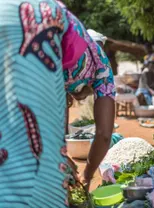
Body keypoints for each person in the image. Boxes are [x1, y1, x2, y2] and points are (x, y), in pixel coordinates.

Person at [0, 1, 115, 207]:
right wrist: (87, 175)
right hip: (39, 21)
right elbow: (104, 134)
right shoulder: (102, 68)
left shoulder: (64, 58)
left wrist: (64, 158)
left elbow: (57, 129)